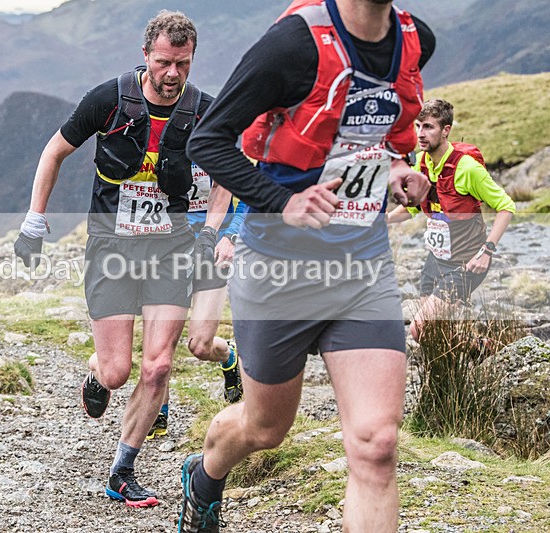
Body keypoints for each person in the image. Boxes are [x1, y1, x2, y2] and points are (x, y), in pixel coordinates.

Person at [177, 0, 435, 531]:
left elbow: (379, 134)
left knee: (376, 444)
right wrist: (283, 202)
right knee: (265, 427)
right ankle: (204, 475)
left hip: (362, 268)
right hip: (277, 270)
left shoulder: (414, 39)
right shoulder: (293, 45)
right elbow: (208, 141)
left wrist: (400, 168)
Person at [13, 10, 213, 508]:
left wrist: (211, 231)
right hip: (112, 249)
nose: (173, 74)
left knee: (159, 366)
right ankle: (97, 372)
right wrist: (34, 220)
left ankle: (121, 471)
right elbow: (53, 151)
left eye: (182, 64)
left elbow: (226, 169)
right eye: (164, 62)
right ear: (145, 55)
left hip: (170, 248)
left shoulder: (204, 110)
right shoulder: (109, 99)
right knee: (117, 371)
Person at [387, 99, 515, 343]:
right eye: (418, 126)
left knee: (418, 329)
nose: (420, 134)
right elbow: (415, 208)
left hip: (466, 263)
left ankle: (487, 351)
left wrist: (487, 251)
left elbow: (506, 207)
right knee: (436, 333)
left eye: (428, 127)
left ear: (446, 130)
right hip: (436, 260)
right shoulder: (422, 163)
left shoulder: (467, 168)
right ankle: (486, 347)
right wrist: (387, 220)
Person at [147, 179, 248, 440]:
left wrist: (232, 236)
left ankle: (228, 355)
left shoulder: (221, 142)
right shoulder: (162, 143)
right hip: (169, 247)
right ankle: (158, 411)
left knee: (200, 346)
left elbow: (250, 193)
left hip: (213, 249)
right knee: (159, 342)